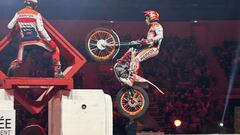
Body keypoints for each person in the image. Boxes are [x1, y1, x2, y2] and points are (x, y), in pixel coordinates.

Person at [7, 0, 63, 78]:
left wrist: (19, 23)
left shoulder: (18, 13)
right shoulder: (36, 14)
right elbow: (40, 29)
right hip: (36, 41)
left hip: (24, 43)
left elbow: (9, 26)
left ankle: (13, 66)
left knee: (20, 60)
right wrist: (49, 40)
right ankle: (57, 72)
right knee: (56, 49)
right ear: (33, 4)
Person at [119, 10, 163, 86]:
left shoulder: (157, 25)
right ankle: (124, 68)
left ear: (151, 17)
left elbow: (160, 36)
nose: (145, 20)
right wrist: (140, 41)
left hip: (154, 49)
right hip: (149, 47)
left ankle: (131, 80)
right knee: (132, 52)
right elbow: (148, 42)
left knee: (137, 59)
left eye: (146, 18)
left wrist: (150, 40)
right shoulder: (152, 27)